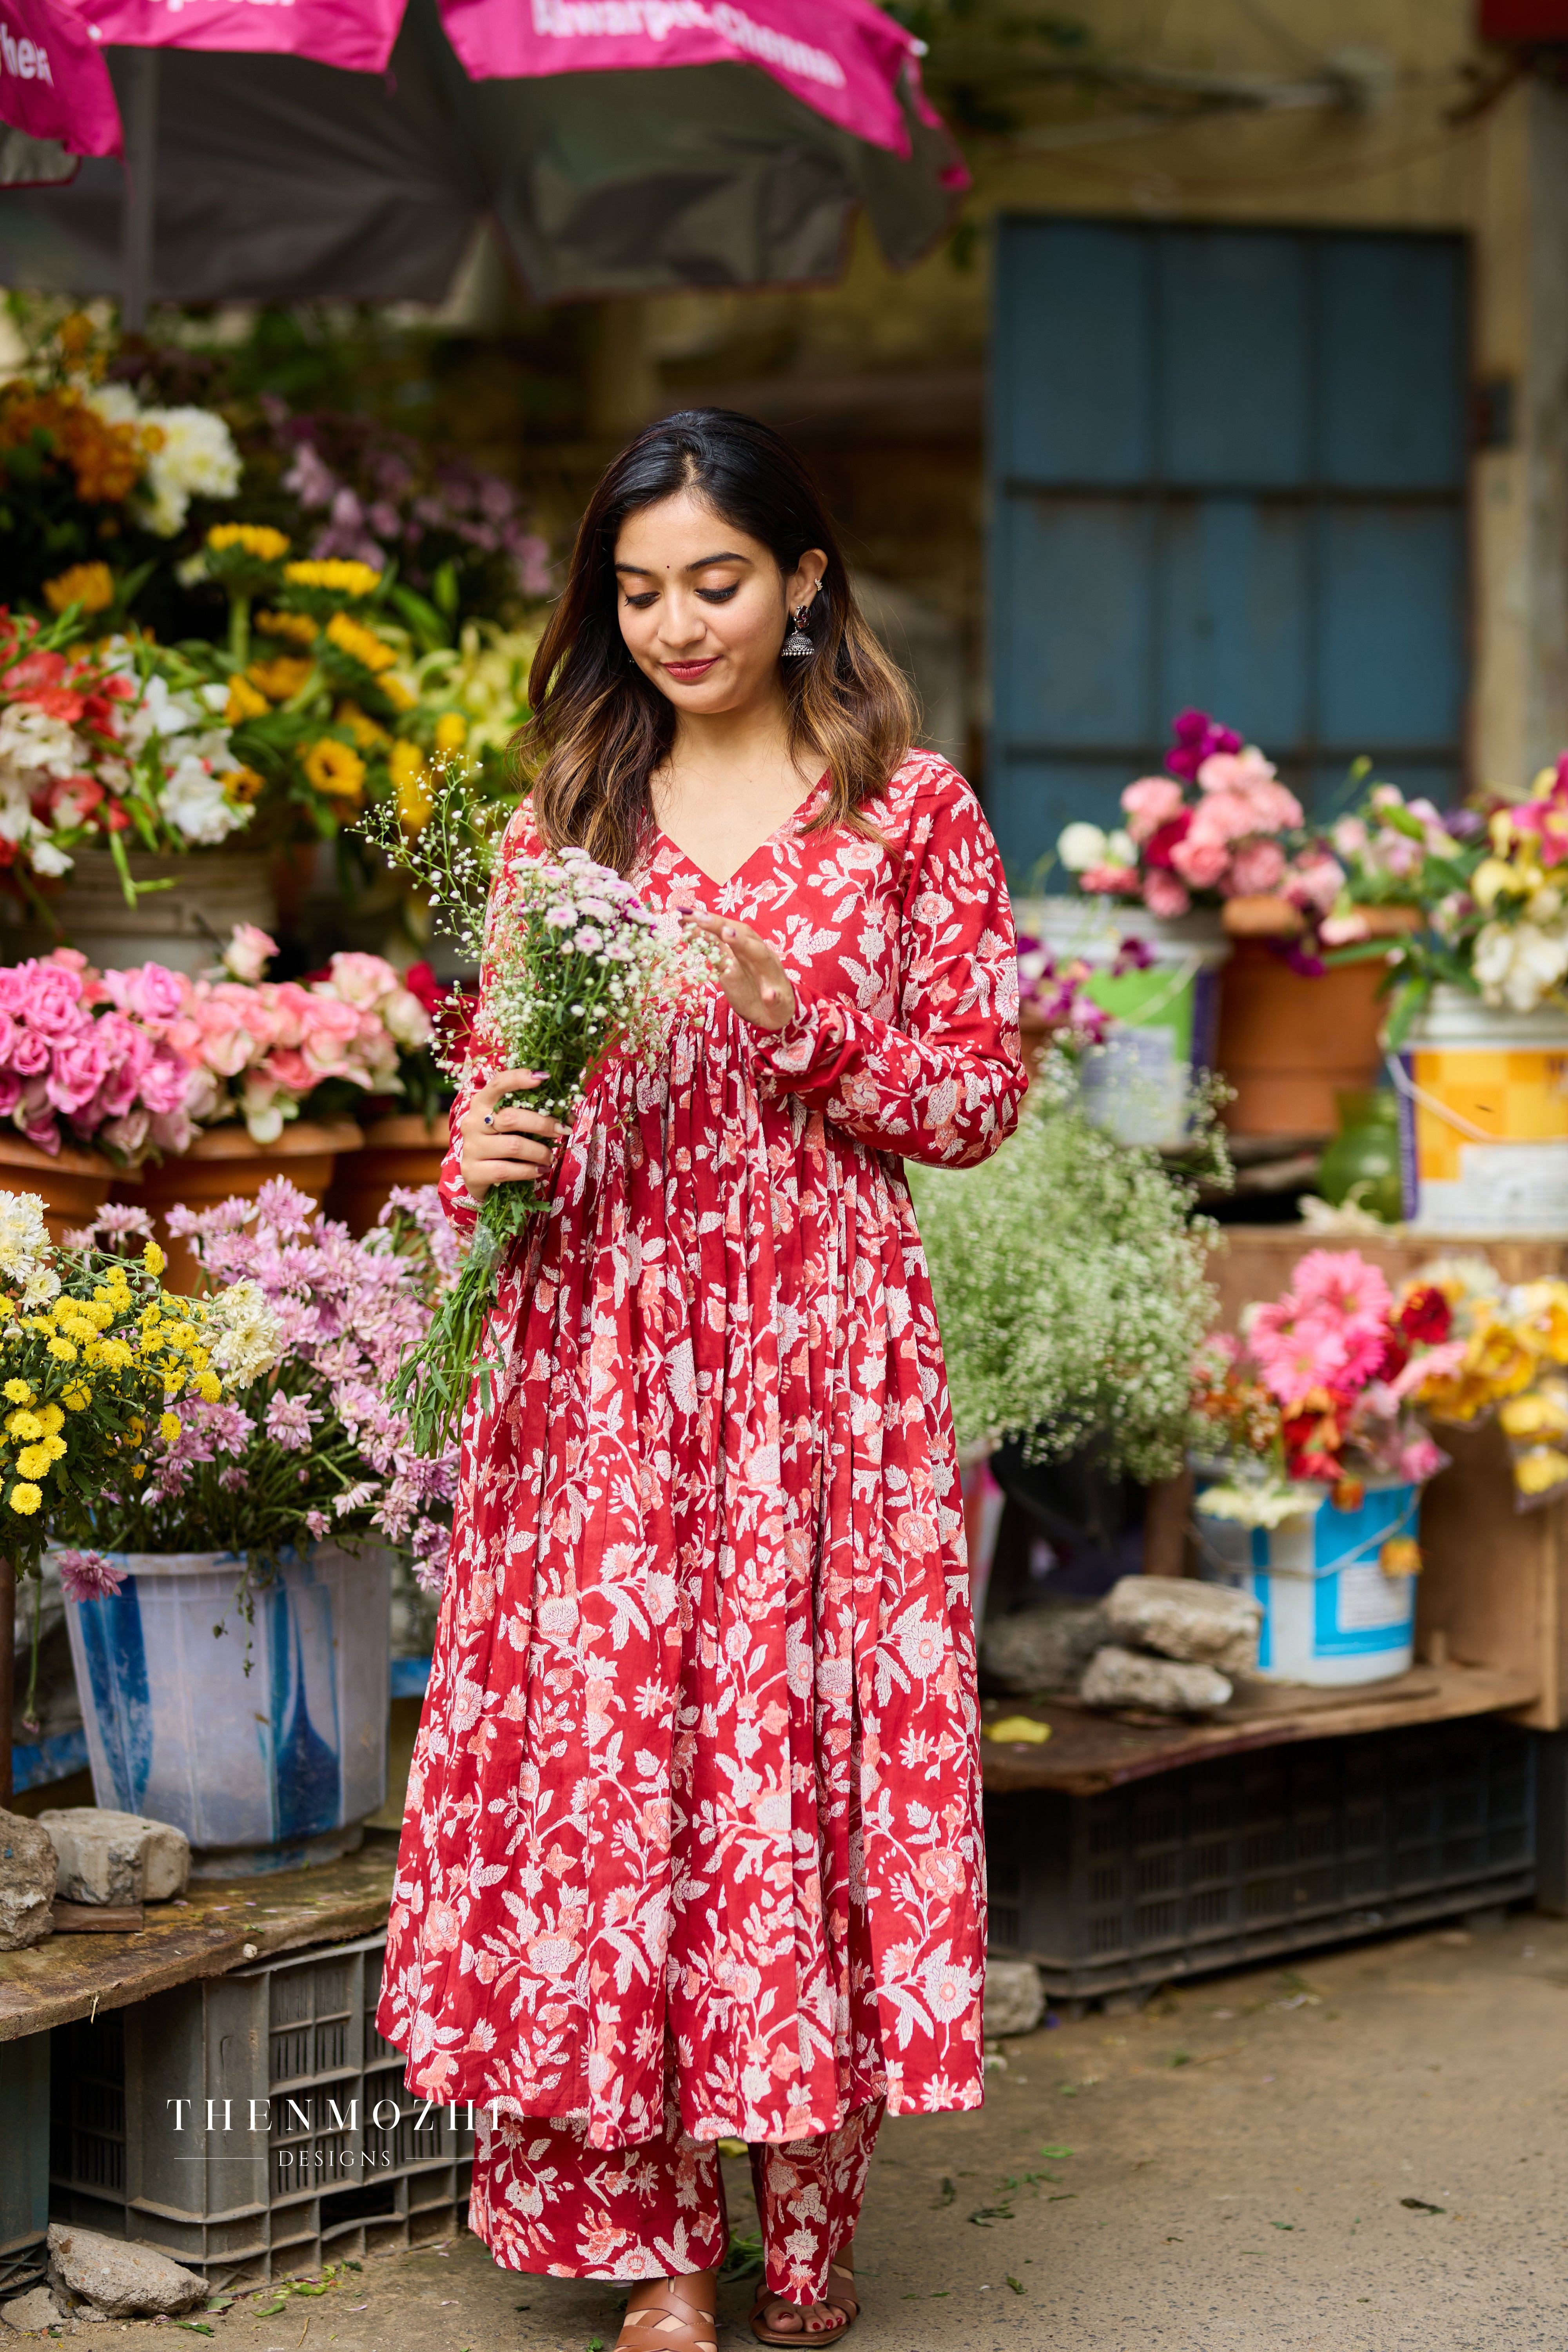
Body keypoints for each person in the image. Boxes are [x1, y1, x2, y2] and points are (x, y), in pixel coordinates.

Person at [378, 408, 1025, 2350]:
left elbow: (975, 1096)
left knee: (792, 1776)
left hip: (822, 1368)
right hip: (601, 1354)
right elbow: (503, 1086)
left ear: (806, 579)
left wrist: (796, 1014)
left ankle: (803, 2238)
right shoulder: (561, 823)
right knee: (616, 1776)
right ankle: (658, 2255)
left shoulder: (911, 810)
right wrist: (479, 1149)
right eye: (639, 590)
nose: (675, 624)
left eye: (717, 582)